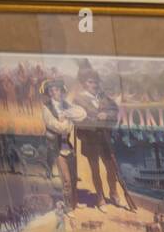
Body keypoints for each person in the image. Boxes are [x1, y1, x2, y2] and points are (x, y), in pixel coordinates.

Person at [71, 62, 136, 211]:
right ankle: (100, 198)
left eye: (95, 81)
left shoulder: (104, 97)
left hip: (105, 140)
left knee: (111, 169)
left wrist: (106, 114)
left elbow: (115, 111)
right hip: (90, 140)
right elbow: (78, 121)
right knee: (95, 171)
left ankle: (114, 195)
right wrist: (96, 120)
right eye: (90, 82)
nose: (93, 84)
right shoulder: (78, 100)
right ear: (83, 83)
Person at [40, 78, 85, 211]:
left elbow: (82, 114)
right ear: (48, 93)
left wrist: (66, 114)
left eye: (56, 90)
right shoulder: (46, 108)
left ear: (61, 91)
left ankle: (75, 202)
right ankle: (69, 207)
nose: (54, 93)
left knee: (73, 176)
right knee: (66, 179)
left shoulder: (66, 105)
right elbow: (57, 127)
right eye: (51, 90)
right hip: (56, 147)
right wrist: (69, 122)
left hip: (68, 146)